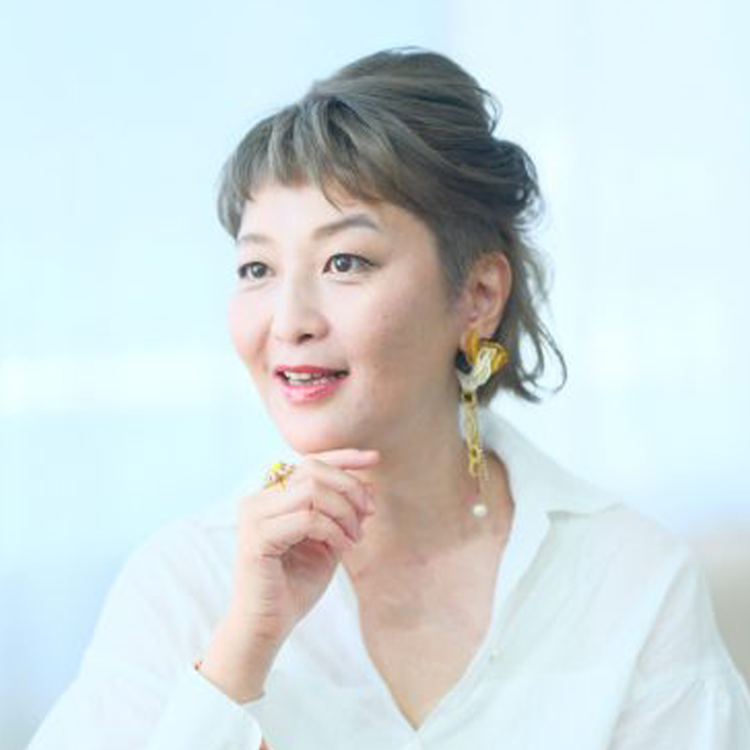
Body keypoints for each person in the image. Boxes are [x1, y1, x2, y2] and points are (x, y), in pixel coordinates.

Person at [27, 47, 750, 750]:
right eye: (256, 268)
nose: (288, 321)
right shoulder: (185, 583)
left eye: (345, 261)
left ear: (478, 294)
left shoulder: (631, 579)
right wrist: (239, 660)